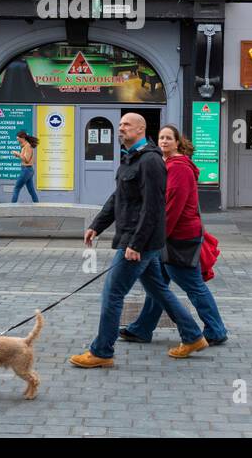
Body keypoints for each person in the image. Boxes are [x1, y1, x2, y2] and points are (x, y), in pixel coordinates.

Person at [70, 113, 207, 368]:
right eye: (119, 125)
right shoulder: (131, 157)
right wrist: (97, 225)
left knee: (112, 293)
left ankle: (102, 351)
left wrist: (136, 244)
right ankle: (193, 336)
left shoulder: (151, 161)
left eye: (126, 125)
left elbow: (153, 208)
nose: (120, 128)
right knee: (158, 290)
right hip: (140, 240)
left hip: (138, 242)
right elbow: (119, 197)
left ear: (141, 129)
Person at [120, 125, 228, 347]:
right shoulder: (168, 164)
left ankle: (216, 330)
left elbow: (173, 207)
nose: (164, 141)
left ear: (178, 142)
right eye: (161, 138)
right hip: (171, 237)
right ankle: (142, 328)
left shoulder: (179, 168)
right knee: (157, 285)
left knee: (193, 285)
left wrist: (155, 237)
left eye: (169, 138)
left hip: (180, 238)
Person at [10, 131, 39, 203]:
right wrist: (18, 155)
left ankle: (11, 207)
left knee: (16, 188)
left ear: (23, 138)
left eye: (18, 139)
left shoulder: (27, 146)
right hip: (28, 170)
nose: (17, 140)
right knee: (31, 190)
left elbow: (26, 159)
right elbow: (25, 158)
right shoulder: (25, 146)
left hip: (26, 170)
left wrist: (18, 154)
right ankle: (37, 205)